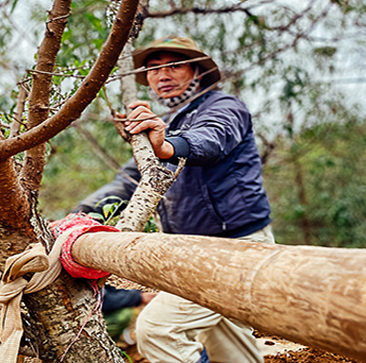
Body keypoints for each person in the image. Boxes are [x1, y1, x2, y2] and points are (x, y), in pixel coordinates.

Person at [76, 36, 273, 363]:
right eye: (153, 68)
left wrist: (168, 146)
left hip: (234, 246)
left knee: (157, 329)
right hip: (192, 249)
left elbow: (211, 139)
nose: (162, 74)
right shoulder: (167, 125)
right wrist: (80, 214)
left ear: (197, 72)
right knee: (233, 351)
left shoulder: (223, 107)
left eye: (174, 65)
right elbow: (129, 180)